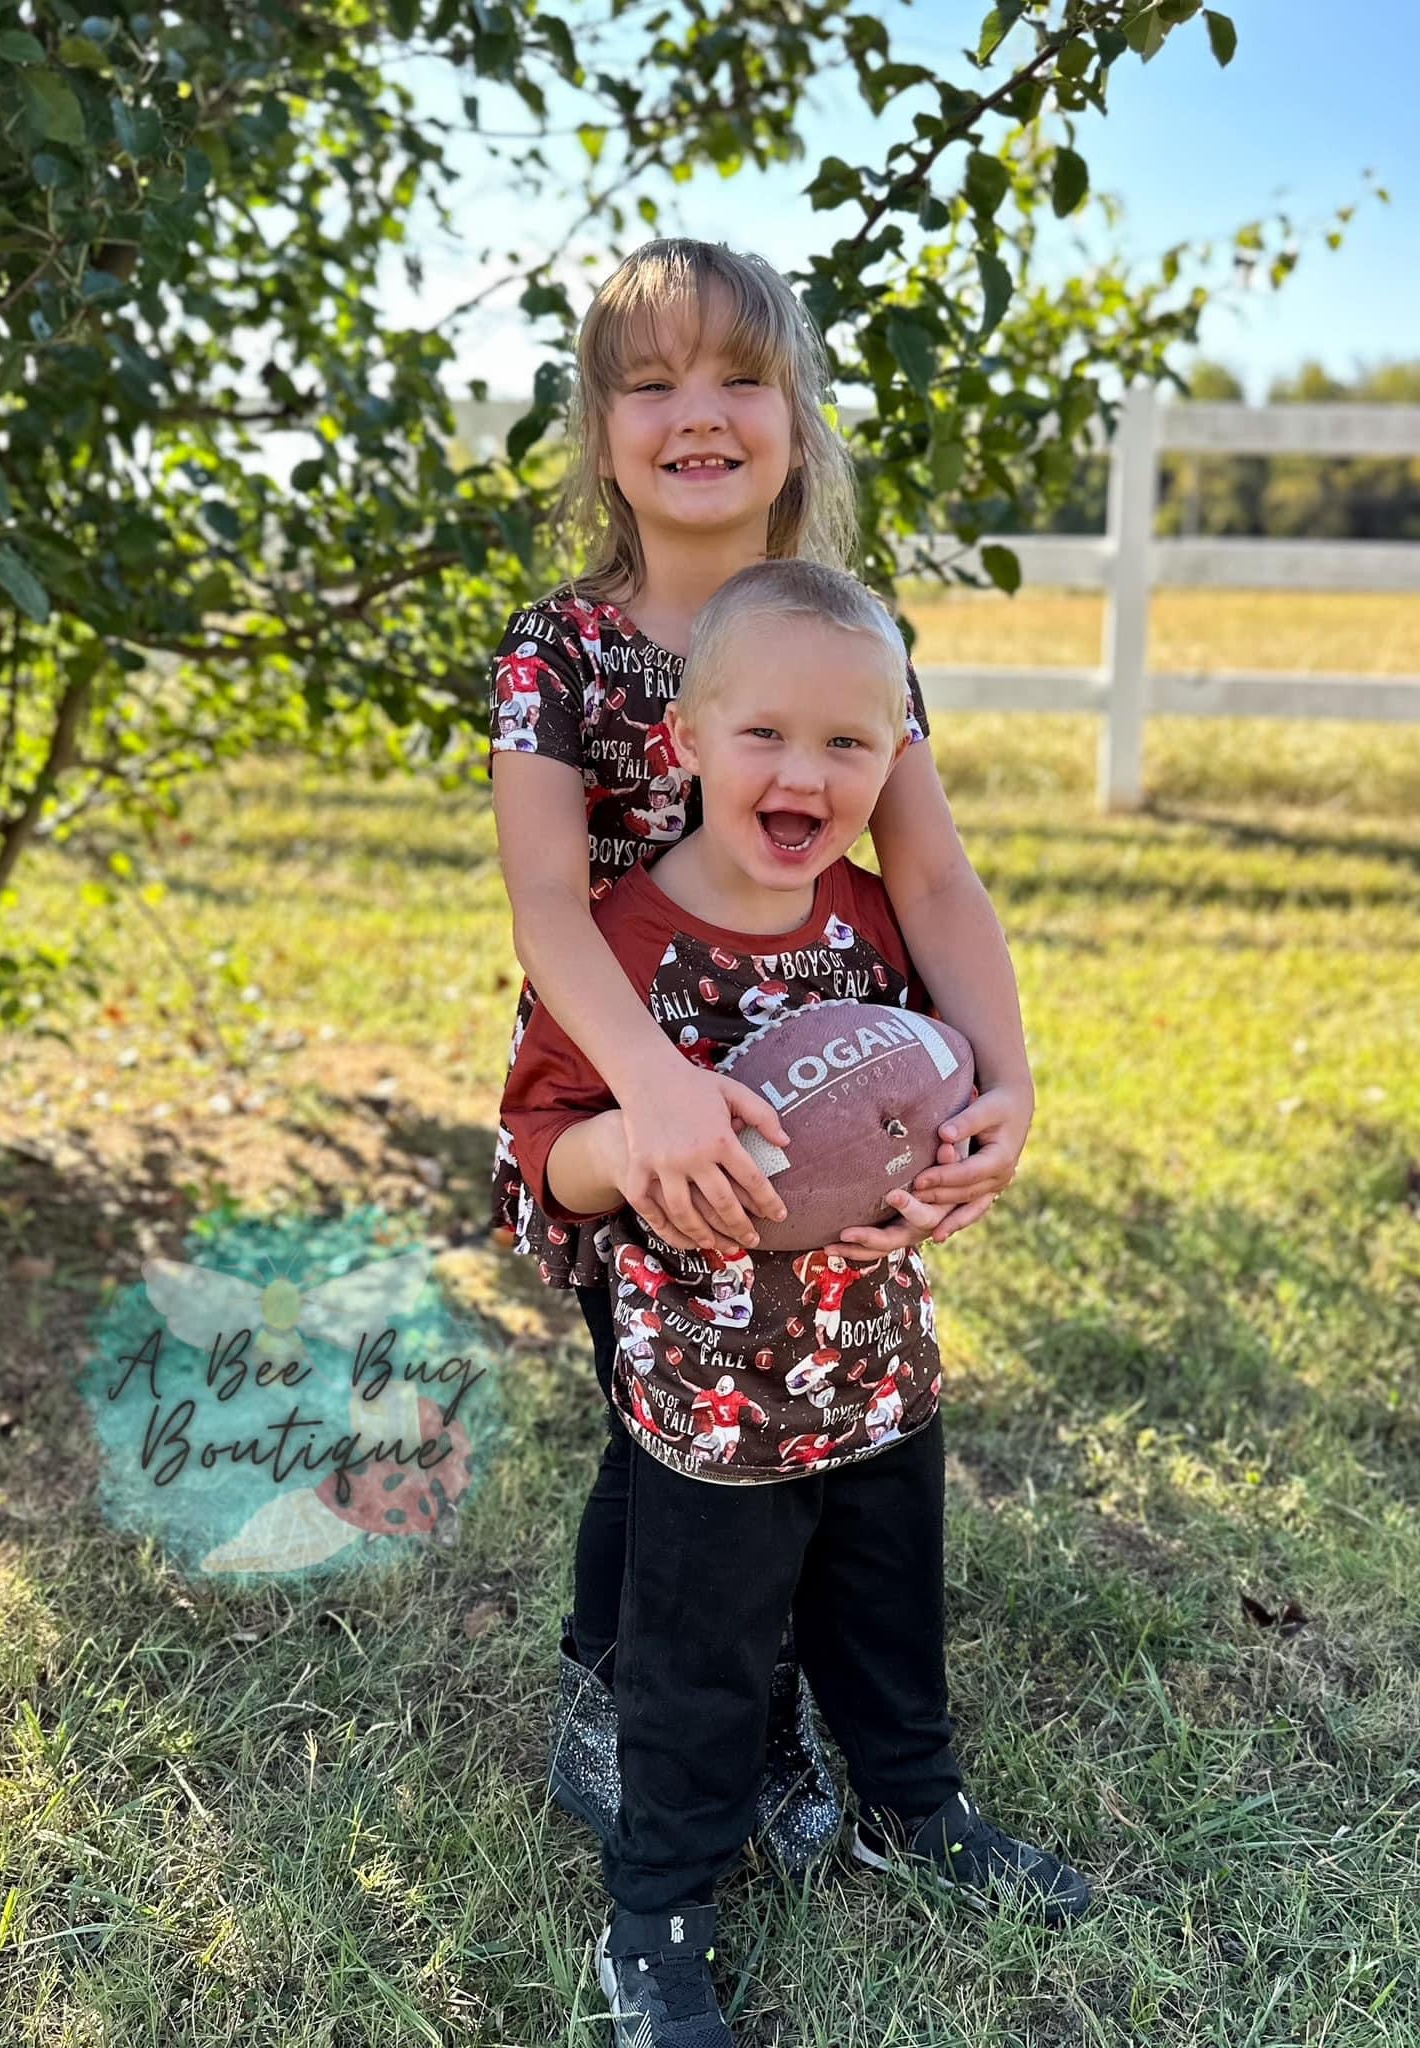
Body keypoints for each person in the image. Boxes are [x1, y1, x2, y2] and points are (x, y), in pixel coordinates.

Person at [487, 237, 1035, 1874]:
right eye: (650, 384)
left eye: (741, 377)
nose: (697, 412)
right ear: (601, 436)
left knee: (824, 1399)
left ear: (801, 421)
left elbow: (930, 875)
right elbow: (542, 905)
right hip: (636, 1072)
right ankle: (633, 1691)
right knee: (657, 1408)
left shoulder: (856, 636)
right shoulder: (560, 650)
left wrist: (1006, 1081)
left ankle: (818, 1707)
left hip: (832, 1080)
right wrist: (649, 1086)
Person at [502, 562, 1091, 2048]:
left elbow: (942, 1078)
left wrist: (970, 1132)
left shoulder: (876, 921)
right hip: (711, 1410)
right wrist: (627, 1142)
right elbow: (543, 1162)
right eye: (766, 735)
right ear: (686, 743)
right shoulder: (623, 950)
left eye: (852, 742)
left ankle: (915, 1808)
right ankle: (660, 1915)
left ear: (896, 753)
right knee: (702, 1665)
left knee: (890, 1615)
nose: (809, 774)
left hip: (879, 1366)